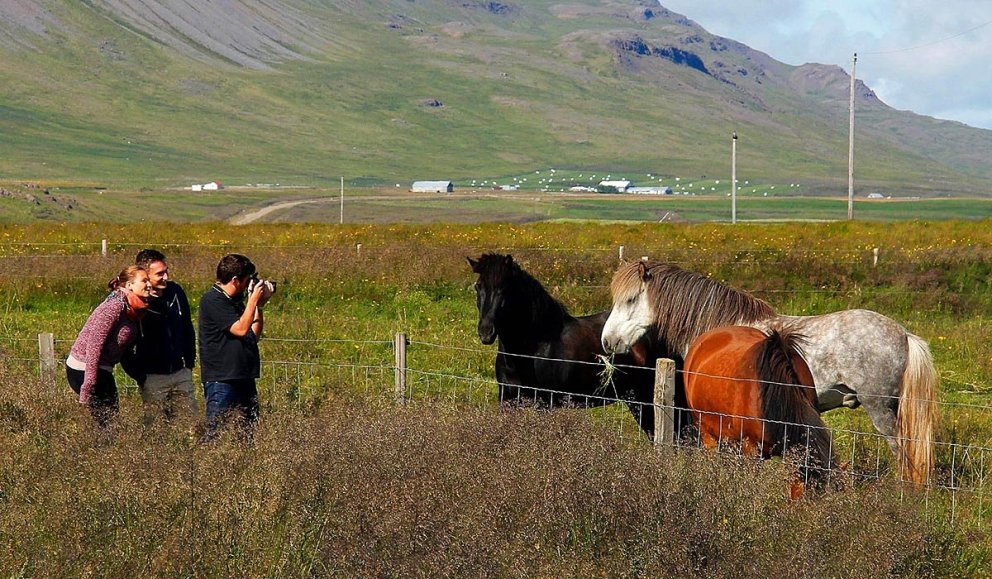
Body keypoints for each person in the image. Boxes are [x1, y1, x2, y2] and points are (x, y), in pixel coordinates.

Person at [66, 266, 152, 425]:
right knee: (107, 423)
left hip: (102, 370)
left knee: (110, 422)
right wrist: (89, 382)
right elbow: (94, 343)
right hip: (83, 368)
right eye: (144, 281)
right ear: (129, 286)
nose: (149, 285)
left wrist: (140, 377)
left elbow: (125, 351)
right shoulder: (115, 306)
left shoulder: (133, 310)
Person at [198, 254, 272, 434]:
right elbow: (239, 329)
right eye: (248, 280)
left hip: (243, 377)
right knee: (216, 432)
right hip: (222, 379)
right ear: (235, 280)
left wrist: (259, 306)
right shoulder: (213, 300)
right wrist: (252, 300)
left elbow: (252, 335)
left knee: (247, 434)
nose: (250, 285)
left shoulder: (236, 302)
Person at [121, 249, 197, 422]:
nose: (166, 277)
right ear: (144, 275)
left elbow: (187, 327)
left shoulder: (176, 292)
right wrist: (140, 376)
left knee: (190, 425)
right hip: (152, 377)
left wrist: (189, 363)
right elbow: (124, 344)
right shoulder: (134, 303)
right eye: (160, 274)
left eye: (166, 271)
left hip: (181, 372)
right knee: (155, 429)